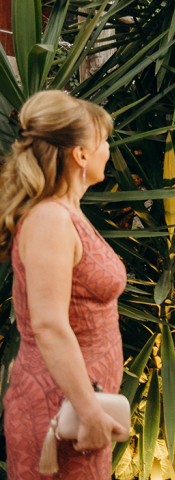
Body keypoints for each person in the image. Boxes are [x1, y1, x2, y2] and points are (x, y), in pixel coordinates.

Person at [0, 91, 128, 479]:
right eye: (103, 141)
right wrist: (89, 412)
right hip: (61, 410)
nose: (109, 149)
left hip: (79, 403)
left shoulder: (67, 212)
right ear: (81, 155)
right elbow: (49, 325)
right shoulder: (50, 220)